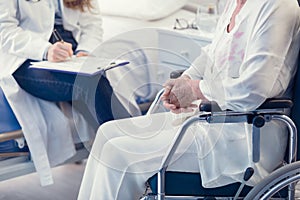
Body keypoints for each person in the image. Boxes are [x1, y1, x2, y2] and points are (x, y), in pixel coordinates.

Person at [78, 0, 300, 199]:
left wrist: (196, 90)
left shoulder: (277, 6)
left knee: (120, 154)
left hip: (246, 139)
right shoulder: (235, 4)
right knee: (107, 132)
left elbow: (252, 90)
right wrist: (184, 81)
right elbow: (211, 55)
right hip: (211, 121)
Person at [0, 0, 130, 186]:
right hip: (27, 57)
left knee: (94, 77)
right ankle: (132, 157)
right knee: (88, 84)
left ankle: (125, 159)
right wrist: (45, 50)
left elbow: (91, 23)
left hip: (71, 52)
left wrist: (85, 51)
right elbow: (4, 31)